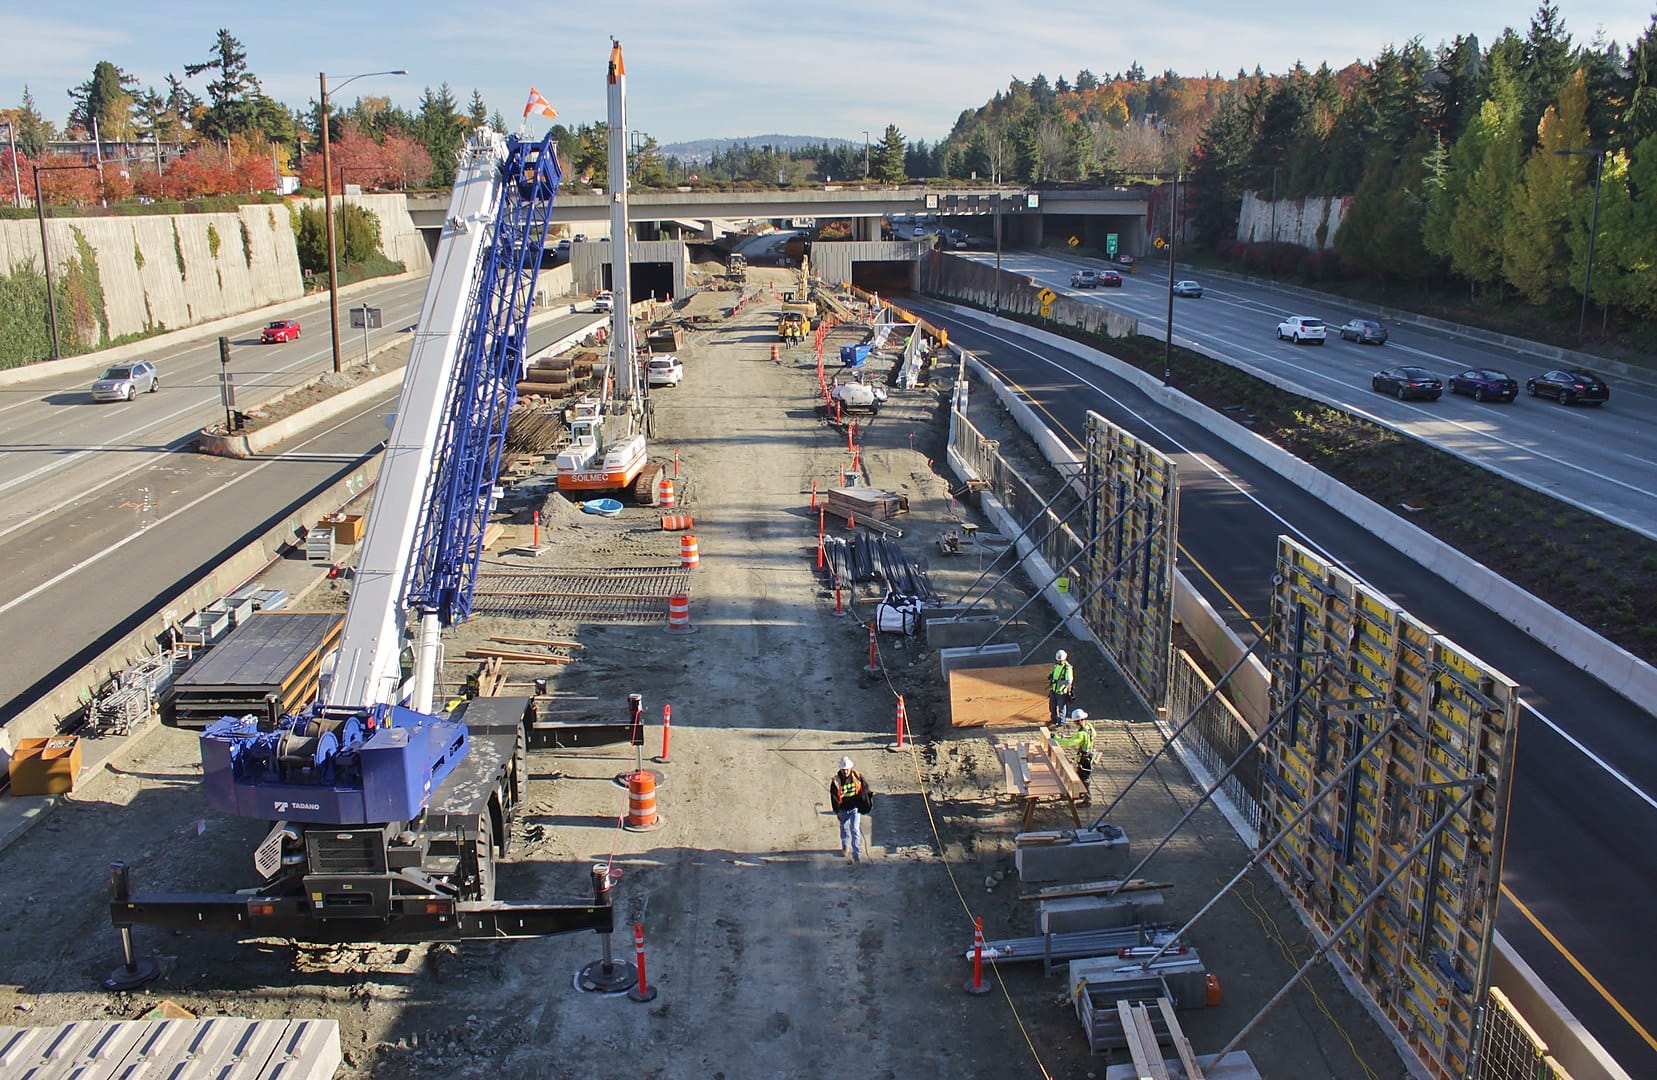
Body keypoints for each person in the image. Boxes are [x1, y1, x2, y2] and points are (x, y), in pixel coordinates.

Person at [829, 756, 873, 861]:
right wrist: (837, 811)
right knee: (844, 829)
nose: (845, 772)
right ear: (840, 769)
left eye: (847, 769)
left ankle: (856, 852)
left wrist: (865, 803)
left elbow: (865, 789)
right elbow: (834, 798)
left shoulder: (857, 777)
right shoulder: (835, 782)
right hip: (843, 809)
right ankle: (845, 847)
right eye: (843, 770)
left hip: (855, 808)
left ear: (850, 768)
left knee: (855, 830)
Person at [1054, 708, 1097, 803]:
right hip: (1090, 754)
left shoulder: (1081, 734)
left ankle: (1087, 799)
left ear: (1077, 721)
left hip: (1084, 758)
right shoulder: (1089, 726)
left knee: (1084, 778)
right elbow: (1093, 735)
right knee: (1081, 776)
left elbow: (1069, 743)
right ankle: (1080, 793)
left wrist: (1056, 738)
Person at [1048, 649, 1075, 725]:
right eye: (1058, 660)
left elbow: (1069, 681)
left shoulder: (1067, 668)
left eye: (1060, 660)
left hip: (1061, 692)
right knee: (1052, 706)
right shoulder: (1056, 665)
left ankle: (1061, 722)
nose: (1059, 661)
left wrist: (1058, 682)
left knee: (1061, 708)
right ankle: (1054, 719)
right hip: (1054, 690)